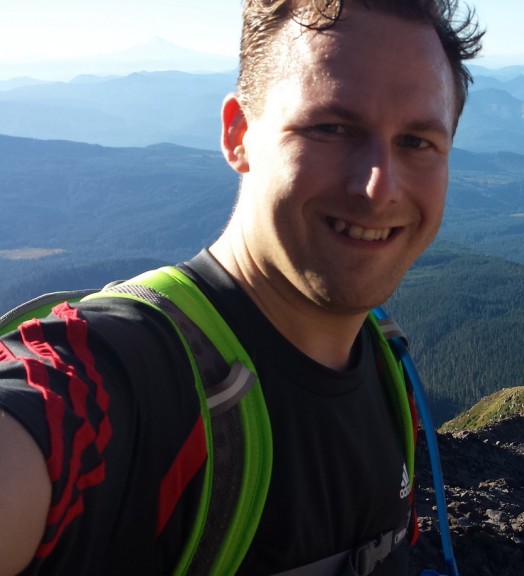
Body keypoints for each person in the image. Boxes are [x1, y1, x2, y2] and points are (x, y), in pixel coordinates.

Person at [0, 0, 482, 574]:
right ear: (238, 135)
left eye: (417, 142)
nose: (378, 186)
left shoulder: (384, 365)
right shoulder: (119, 378)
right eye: (331, 127)